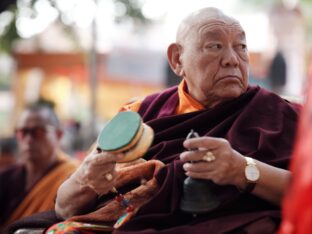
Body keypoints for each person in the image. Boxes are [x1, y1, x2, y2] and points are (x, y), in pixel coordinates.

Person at [52, 7, 300, 233]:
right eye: (215, 46)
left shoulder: (284, 115)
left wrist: (242, 169)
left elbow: (306, 193)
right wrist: (86, 181)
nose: (232, 59)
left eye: (241, 47)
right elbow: (64, 207)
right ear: (177, 59)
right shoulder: (137, 115)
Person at [0, 104, 79, 230]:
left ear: (58, 135)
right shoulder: (6, 177)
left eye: (38, 132)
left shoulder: (74, 176)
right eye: (22, 132)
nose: (29, 139)